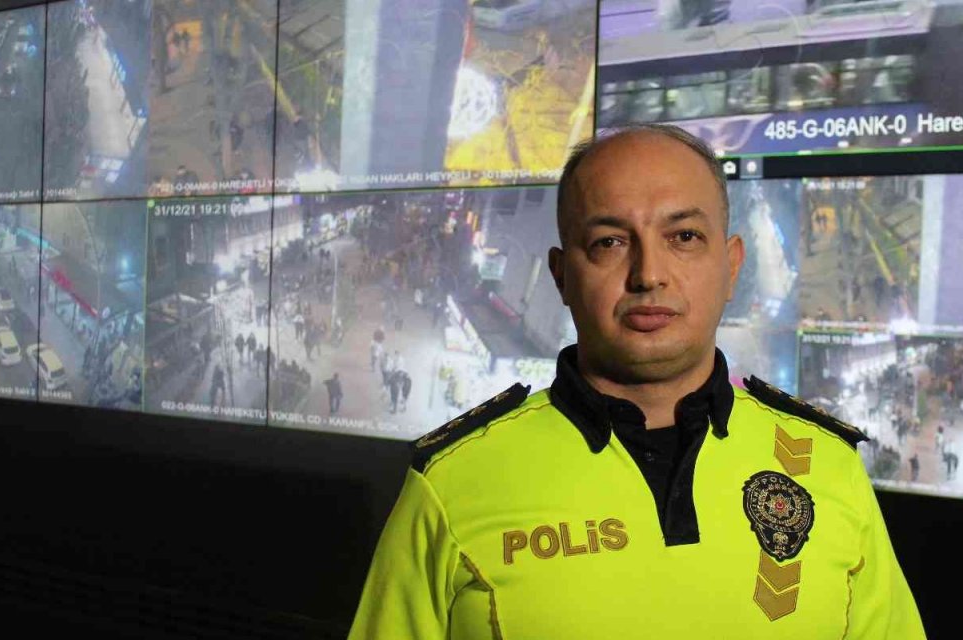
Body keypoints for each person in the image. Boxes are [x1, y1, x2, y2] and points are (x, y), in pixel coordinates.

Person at [348, 125, 925, 639]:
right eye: (610, 242)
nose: (649, 274)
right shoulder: (452, 482)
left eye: (684, 237)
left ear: (731, 267)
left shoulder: (829, 466)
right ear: (561, 276)